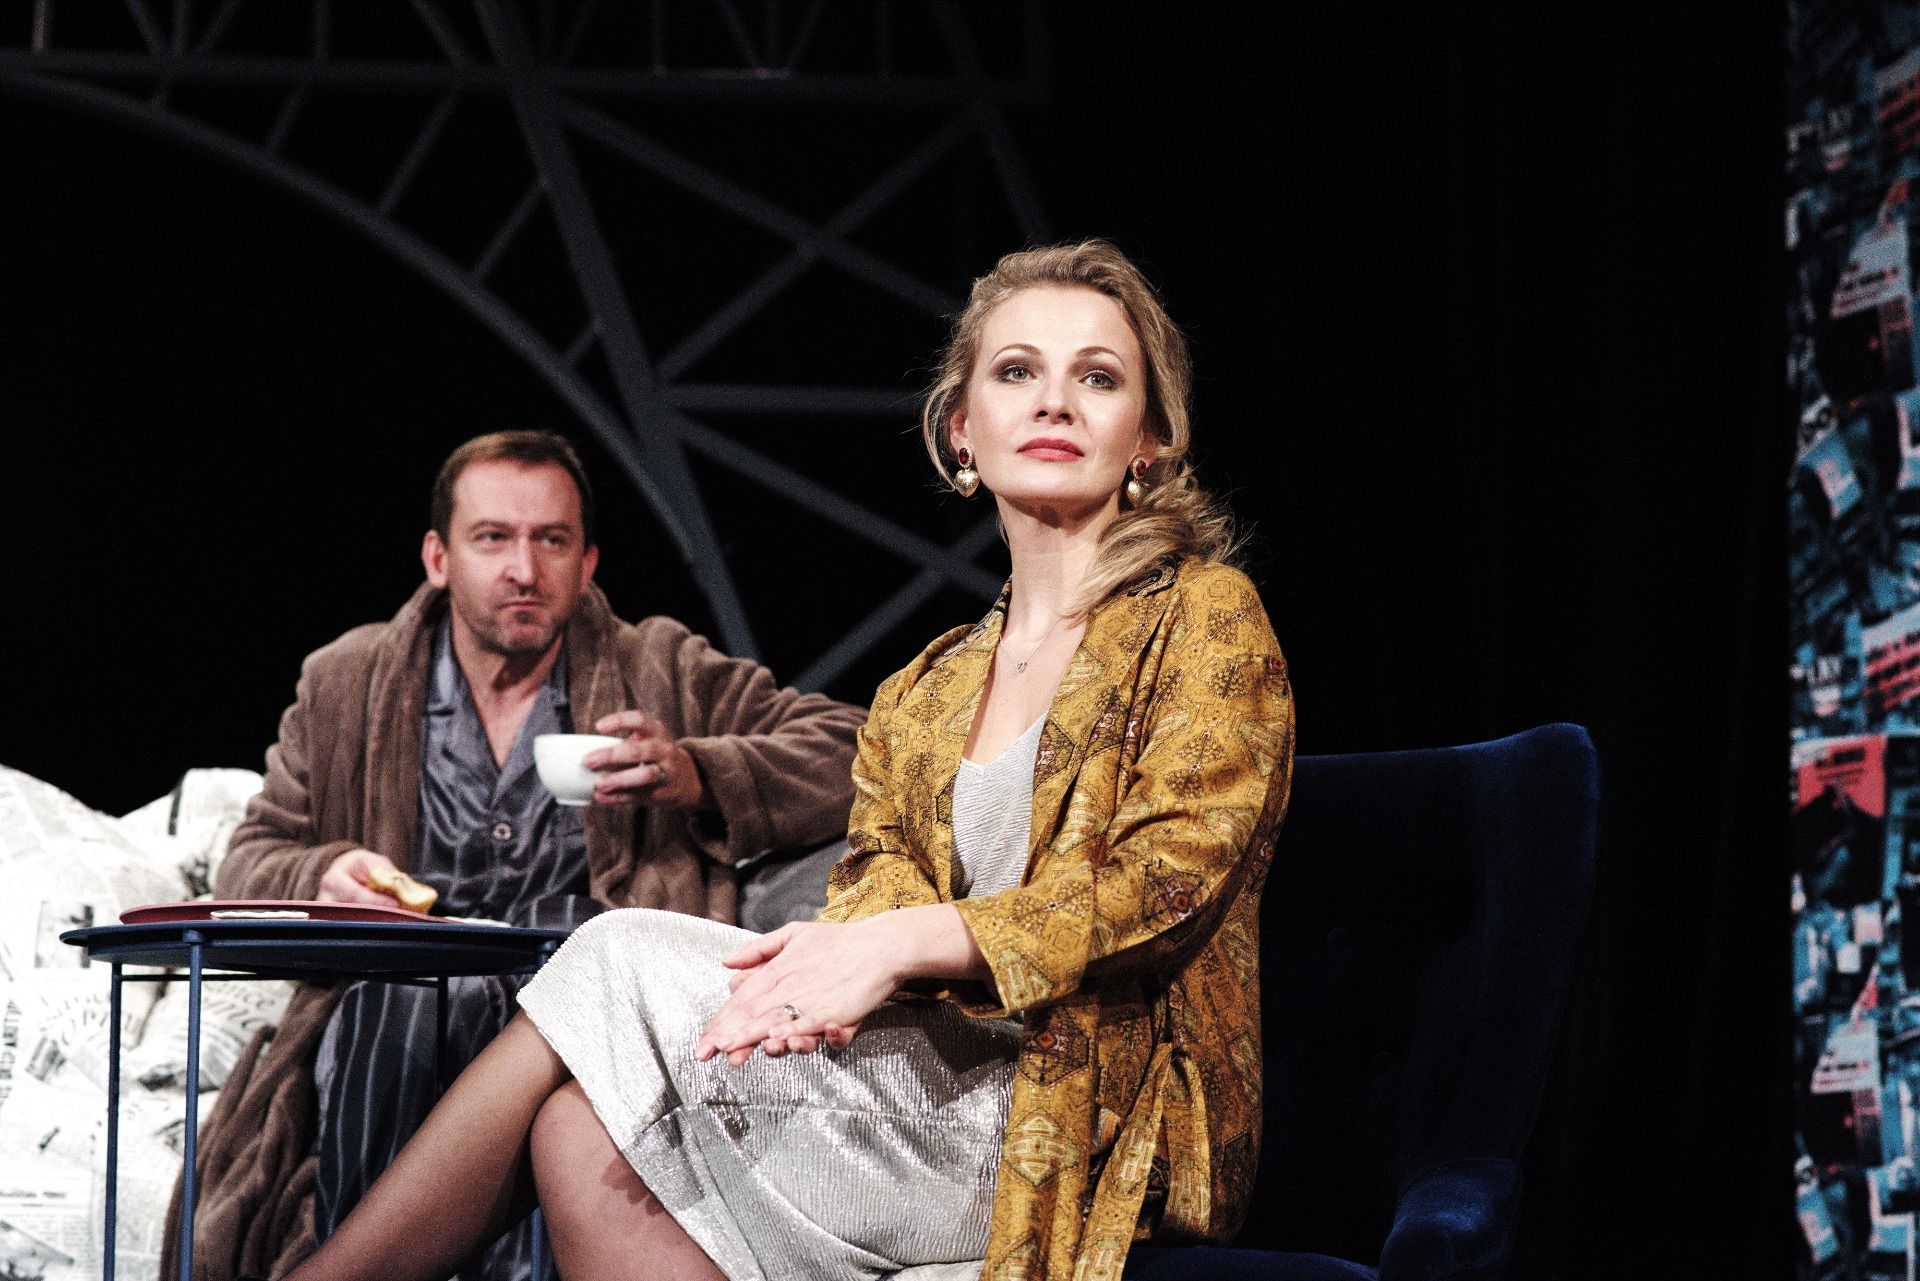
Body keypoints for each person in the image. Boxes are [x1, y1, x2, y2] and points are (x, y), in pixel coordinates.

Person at [270, 240, 1294, 1281]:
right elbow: (878, 879)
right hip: (939, 1071)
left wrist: (896, 943)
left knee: (615, 954)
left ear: (1150, 440)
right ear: (961, 429)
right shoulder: (930, 685)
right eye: (1017, 370)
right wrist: (822, 968)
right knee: (574, 1132)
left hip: (1095, 1107)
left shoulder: (1203, 616)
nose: (1055, 403)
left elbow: (1166, 884)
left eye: (1099, 378)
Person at [179, 431, 865, 1281]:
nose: (524, 569)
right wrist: (322, 873)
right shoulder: (345, 683)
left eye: (552, 540)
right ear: (439, 557)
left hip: (584, 1005)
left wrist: (699, 771)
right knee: (394, 1008)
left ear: (588, 562)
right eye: (493, 538)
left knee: (565, 995)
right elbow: (252, 853)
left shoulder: (659, 664)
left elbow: (853, 745)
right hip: (401, 1000)